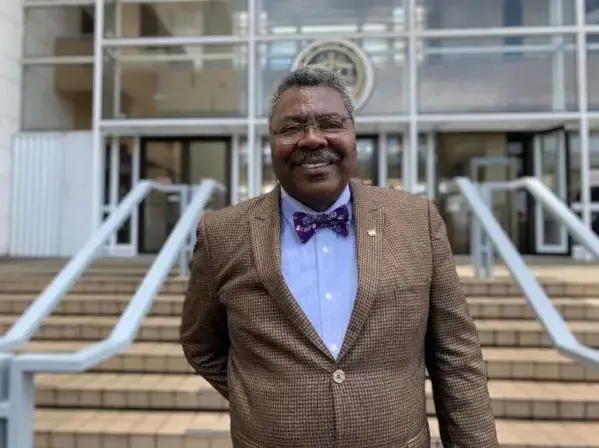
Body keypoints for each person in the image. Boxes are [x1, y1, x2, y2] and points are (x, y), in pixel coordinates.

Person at [180, 66, 498, 448]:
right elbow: (201, 343)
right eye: (292, 127)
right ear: (270, 141)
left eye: (330, 123)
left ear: (353, 134)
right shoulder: (221, 233)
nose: (313, 139)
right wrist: (260, 398)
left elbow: (456, 358)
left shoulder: (418, 220)